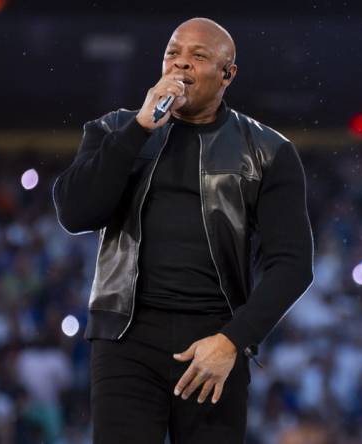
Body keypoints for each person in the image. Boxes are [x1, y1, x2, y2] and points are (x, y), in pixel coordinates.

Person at [52, 17, 313, 443]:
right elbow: (76, 213)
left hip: (214, 342)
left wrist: (233, 342)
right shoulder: (115, 128)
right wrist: (138, 130)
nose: (181, 64)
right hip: (125, 339)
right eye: (173, 52)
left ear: (227, 74)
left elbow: (293, 265)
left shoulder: (268, 151)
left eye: (199, 56)